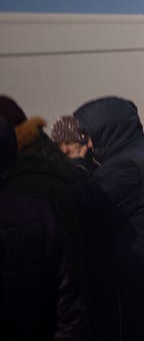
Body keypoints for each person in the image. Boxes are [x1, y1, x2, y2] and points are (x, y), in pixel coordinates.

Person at [74, 96, 144, 340]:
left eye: (88, 135)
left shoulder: (126, 166)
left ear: (106, 129)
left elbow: (83, 206)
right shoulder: (136, 153)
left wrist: (77, 162)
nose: (87, 144)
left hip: (138, 288)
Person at [0, 113, 87, 340]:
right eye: (63, 144)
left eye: (71, 143)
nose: (66, 149)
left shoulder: (32, 194)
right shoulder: (39, 205)